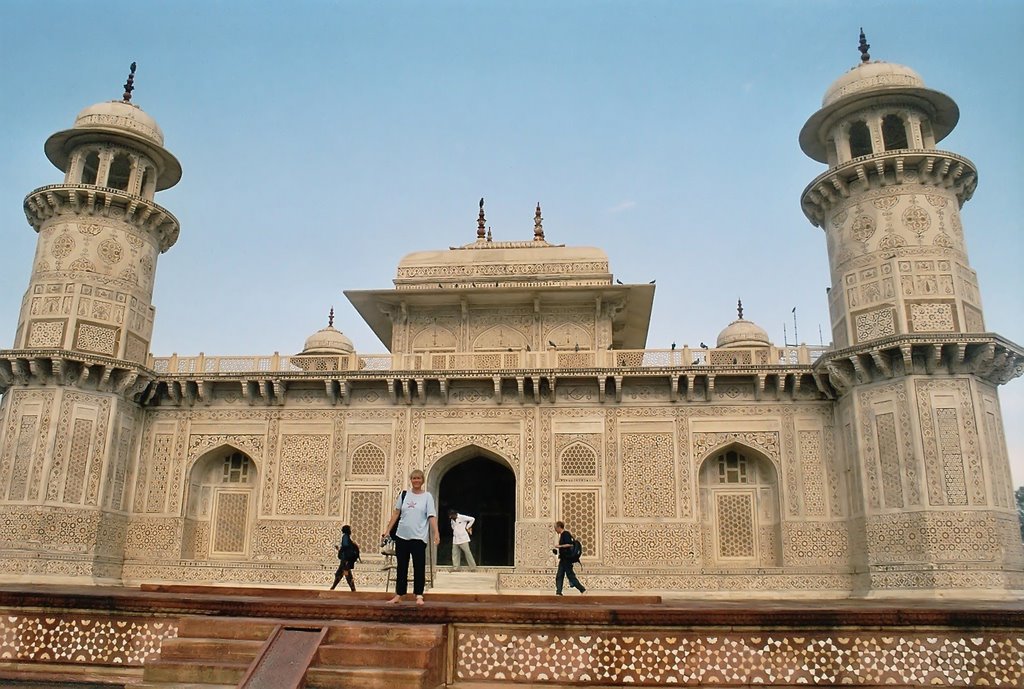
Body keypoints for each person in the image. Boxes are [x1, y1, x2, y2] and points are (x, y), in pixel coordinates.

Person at [382, 469, 439, 605]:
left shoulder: (427, 497)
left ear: (422, 480)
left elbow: (431, 515)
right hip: (402, 535)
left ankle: (419, 594)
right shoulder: (404, 494)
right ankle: (399, 594)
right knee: (402, 566)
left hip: (419, 536)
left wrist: (436, 532)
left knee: (419, 566)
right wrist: (388, 530)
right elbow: (396, 513)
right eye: (414, 478)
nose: (416, 480)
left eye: (419, 478)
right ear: (411, 480)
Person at [552, 521, 586, 596]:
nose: (555, 530)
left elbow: (569, 544)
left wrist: (559, 546)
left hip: (567, 559)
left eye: (555, 528)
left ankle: (582, 589)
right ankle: (558, 592)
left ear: (559, 527)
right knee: (559, 575)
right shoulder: (562, 535)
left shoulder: (566, 534)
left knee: (570, 575)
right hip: (563, 559)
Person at [330, 524, 358, 591]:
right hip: (345, 559)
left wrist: (340, 550)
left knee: (346, 573)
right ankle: (333, 588)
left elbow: (345, 546)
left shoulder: (345, 537)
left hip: (345, 559)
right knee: (340, 573)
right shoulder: (347, 537)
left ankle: (353, 589)